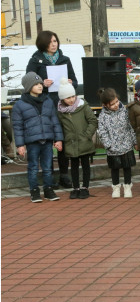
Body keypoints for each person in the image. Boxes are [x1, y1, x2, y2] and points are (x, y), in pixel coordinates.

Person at [26, 30, 78, 189]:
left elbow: (75, 82)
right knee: (48, 142)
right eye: (50, 42)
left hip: (63, 106)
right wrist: (42, 84)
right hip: (44, 106)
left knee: (63, 140)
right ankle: (49, 176)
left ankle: (64, 174)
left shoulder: (65, 59)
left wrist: (70, 83)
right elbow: (28, 83)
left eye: (55, 41)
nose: (53, 44)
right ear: (43, 44)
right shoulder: (36, 60)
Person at [12, 72, 63, 202]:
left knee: (47, 167)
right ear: (29, 86)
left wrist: (58, 139)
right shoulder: (20, 104)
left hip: (47, 140)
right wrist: (20, 145)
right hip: (32, 141)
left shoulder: (48, 101)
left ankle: (48, 189)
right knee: (33, 167)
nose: (40, 86)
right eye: (36, 84)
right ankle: (34, 191)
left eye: (40, 83)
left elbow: (54, 121)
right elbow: (17, 127)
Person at [56, 78, 97, 199]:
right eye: (68, 98)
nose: (71, 99)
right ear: (62, 99)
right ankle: (75, 187)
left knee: (85, 165)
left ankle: (85, 187)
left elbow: (92, 121)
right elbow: (59, 126)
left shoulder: (82, 105)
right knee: (73, 166)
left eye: (73, 96)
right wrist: (61, 139)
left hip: (84, 141)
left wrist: (87, 135)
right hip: (71, 143)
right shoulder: (60, 112)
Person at [97, 87, 137, 199]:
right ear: (105, 105)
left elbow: (131, 127)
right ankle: (115, 187)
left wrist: (134, 141)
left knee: (127, 167)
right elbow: (102, 132)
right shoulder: (103, 116)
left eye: (116, 102)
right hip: (113, 148)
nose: (115, 105)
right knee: (114, 168)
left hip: (126, 145)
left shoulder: (125, 111)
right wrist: (108, 145)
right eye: (112, 104)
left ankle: (128, 187)